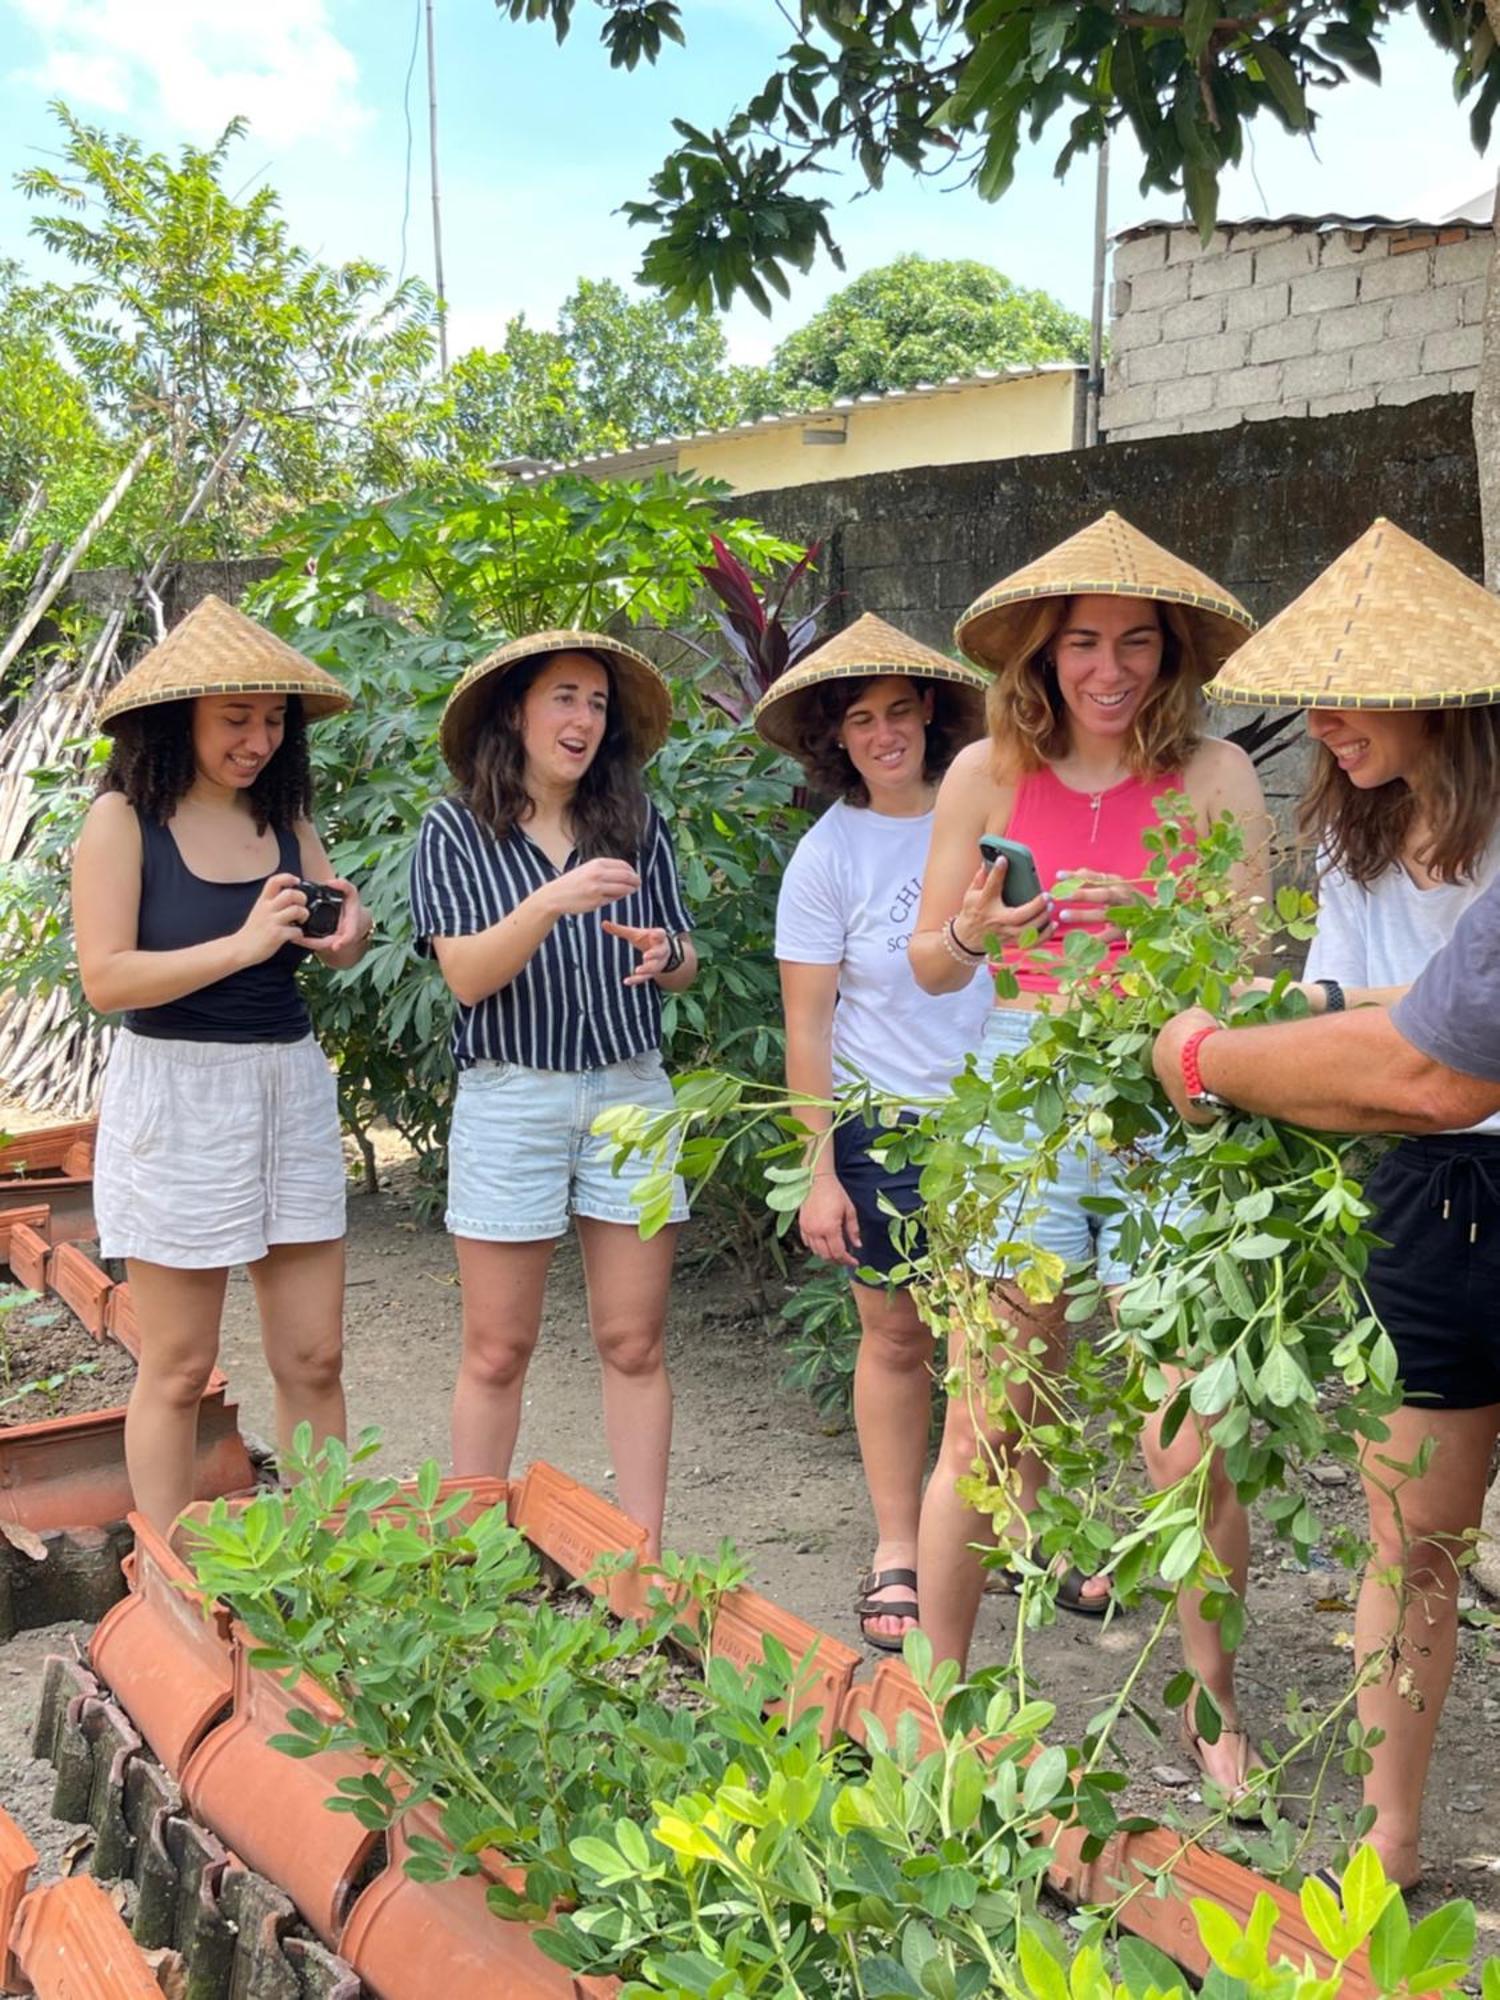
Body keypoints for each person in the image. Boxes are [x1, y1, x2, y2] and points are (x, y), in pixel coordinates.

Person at [1154, 518, 1500, 1886]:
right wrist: (1287, 1025)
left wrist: (1213, 1055)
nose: (1327, 725)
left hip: (1440, 1118)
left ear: (1439, 692)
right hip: (1428, 1199)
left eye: (1357, 697)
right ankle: (1387, 1847)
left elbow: (1424, 1060)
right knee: (1412, 1540)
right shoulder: (1355, 842)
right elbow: (1366, 1016)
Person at [907, 511, 1268, 1674]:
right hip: (1023, 1100)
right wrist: (972, 925)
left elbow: (1253, 975)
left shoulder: (1217, 774)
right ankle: (936, 1701)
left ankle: (1214, 1714)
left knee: (1191, 1436)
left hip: (1168, 1100)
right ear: (1042, 655)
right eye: (1082, 643)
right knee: (985, 1422)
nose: (1108, 670)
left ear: (1170, 655)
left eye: (1136, 643)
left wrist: (1164, 933)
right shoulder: (985, 771)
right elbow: (927, 960)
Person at [75, 594, 373, 1534]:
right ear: (180, 720)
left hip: (285, 1085)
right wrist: (242, 946)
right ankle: (166, 1573)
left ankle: (332, 1561)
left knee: (314, 1357)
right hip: (177, 1095)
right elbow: (106, 979)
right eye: (236, 719)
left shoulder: (285, 820)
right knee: (177, 1365)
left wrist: (346, 936)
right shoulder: (124, 823)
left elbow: (332, 925)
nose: (259, 739)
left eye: (274, 719)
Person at [410, 628, 695, 1558]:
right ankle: (472, 1559)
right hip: (511, 1096)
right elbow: (466, 977)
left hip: (629, 1093)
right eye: (564, 697)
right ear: (517, 712)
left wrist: (666, 955)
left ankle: (641, 1560)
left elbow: (683, 957)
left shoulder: (634, 821)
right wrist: (546, 902)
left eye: (597, 704)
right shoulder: (454, 829)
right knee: (497, 1349)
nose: (582, 720)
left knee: (634, 1342)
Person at [754, 613, 993, 1651]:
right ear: (835, 736)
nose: (886, 732)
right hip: (882, 1125)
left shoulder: (990, 813)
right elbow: (806, 1021)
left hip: (1002, 1120)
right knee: (897, 1335)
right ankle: (899, 1541)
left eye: (901, 710)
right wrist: (819, 1170)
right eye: (863, 719)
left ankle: (1018, 1522)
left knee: (1014, 1342)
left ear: (932, 711)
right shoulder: (826, 855)